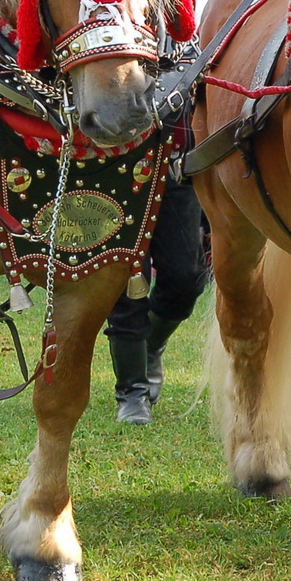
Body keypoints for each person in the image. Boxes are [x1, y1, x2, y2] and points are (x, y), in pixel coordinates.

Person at [105, 173, 210, 424]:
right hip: (118, 168)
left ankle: (150, 345)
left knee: (186, 278)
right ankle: (132, 391)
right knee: (127, 280)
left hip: (175, 166)